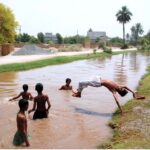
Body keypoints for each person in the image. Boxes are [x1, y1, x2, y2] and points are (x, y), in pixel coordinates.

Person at [72, 77, 138, 115]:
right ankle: (78, 93)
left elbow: (117, 101)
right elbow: (126, 87)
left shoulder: (114, 91)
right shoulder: (118, 86)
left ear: (120, 91)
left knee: (81, 82)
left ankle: (78, 94)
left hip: (97, 83)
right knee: (83, 83)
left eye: (122, 89)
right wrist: (133, 93)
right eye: (122, 88)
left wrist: (121, 111)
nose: (122, 87)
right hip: (98, 79)